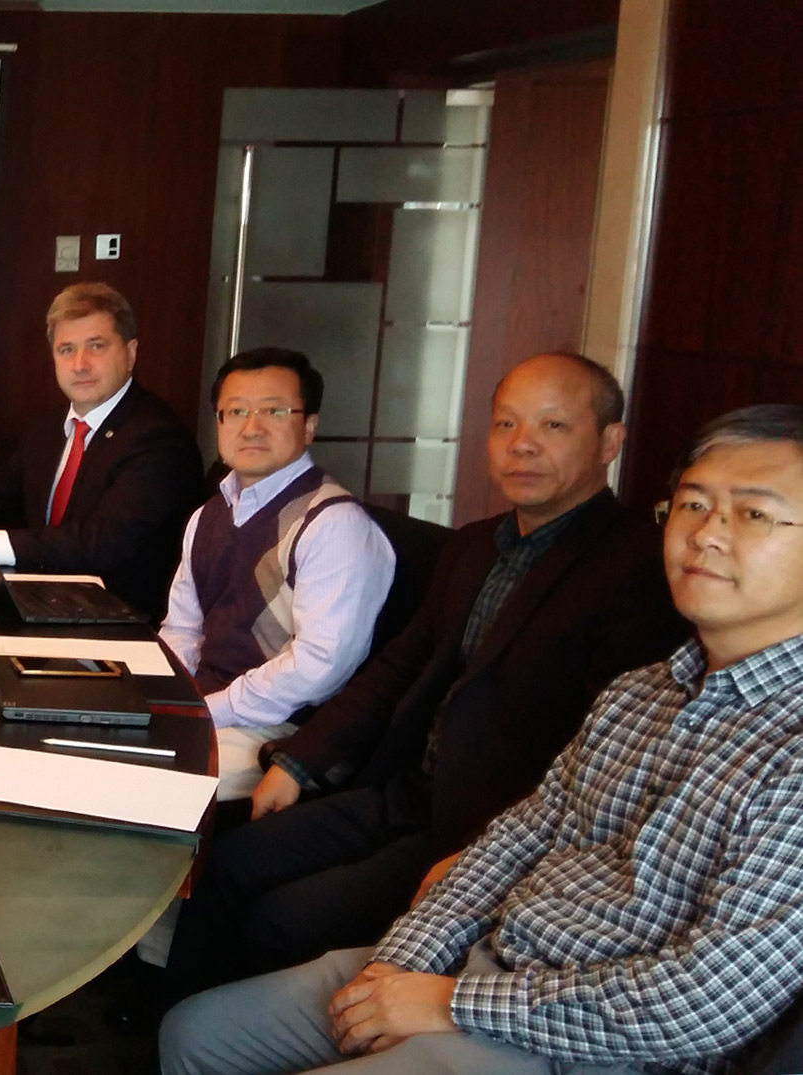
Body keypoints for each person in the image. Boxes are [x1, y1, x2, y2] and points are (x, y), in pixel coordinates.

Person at [160, 403, 803, 1075]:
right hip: (485, 948)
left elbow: (701, 1003)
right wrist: (404, 963)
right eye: (694, 505)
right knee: (195, 1032)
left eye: (754, 513)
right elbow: (517, 837)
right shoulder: (642, 691)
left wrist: (454, 1004)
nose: (707, 534)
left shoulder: (786, 746)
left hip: (597, 1040)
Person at [158, 352, 688, 1003]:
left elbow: (606, 750)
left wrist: (489, 855)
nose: (523, 444)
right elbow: (397, 668)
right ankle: (169, 1033)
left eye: (553, 426)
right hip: (406, 789)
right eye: (506, 424)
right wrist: (299, 762)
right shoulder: (475, 545)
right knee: (227, 862)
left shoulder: (638, 567)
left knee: (284, 919)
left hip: (490, 825)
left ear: (610, 441)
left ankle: (237, 1037)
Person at [157, 348, 395, 801]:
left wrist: (206, 709)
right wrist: (163, 695)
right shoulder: (208, 515)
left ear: (309, 425)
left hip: (281, 732)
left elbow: (318, 667)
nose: (252, 427)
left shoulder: (334, 524)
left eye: (274, 411)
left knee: (135, 787)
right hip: (208, 706)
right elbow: (183, 629)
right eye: (236, 411)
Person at [0, 283, 203, 617]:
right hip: (41, 603)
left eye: (96, 346)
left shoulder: (159, 438)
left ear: (131, 353)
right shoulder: (47, 430)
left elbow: (101, 541)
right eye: (66, 350)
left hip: (117, 620)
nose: (80, 364)